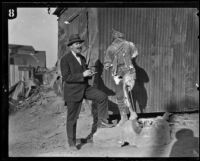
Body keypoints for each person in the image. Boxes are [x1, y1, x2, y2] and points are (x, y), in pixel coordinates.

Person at [60, 34, 114, 151]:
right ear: (70, 46)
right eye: (76, 44)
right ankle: (72, 143)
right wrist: (82, 75)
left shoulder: (82, 58)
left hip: (85, 88)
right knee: (72, 119)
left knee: (102, 96)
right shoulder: (65, 59)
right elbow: (66, 77)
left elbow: (83, 73)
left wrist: (89, 73)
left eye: (80, 43)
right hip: (73, 92)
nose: (79, 45)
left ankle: (103, 121)